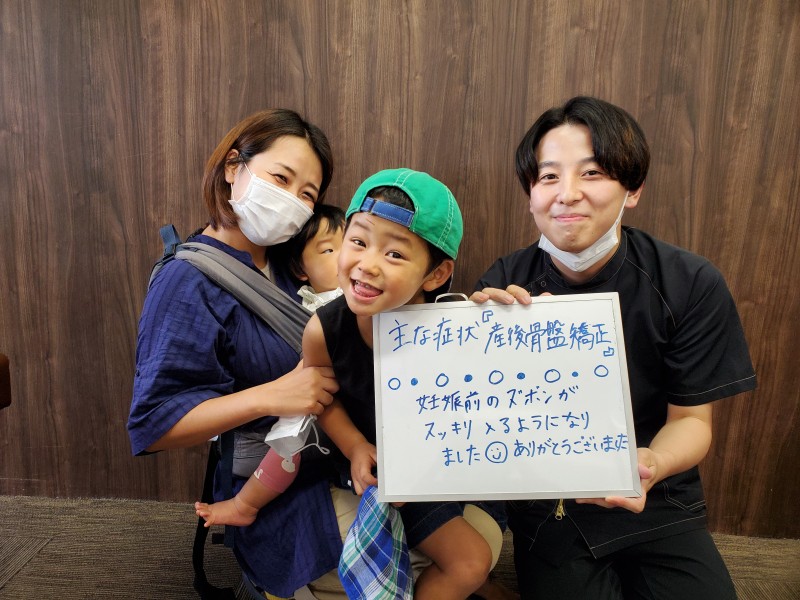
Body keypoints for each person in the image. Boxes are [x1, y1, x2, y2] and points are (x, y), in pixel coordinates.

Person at [471, 96, 757, 599]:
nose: (568, 194)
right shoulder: (504, 286)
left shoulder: (689, 281)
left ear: (633, 189)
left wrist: (650, 465)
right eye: (548, 176)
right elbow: (481, 423)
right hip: (551, 505)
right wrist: (478, 342)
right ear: (530, 195)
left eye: (593, 173)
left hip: (659, 496)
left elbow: (692, 421)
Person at [128, 109, 349, 598]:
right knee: (408, 553)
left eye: (307, 194)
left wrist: (475, 311)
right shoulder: (187, 281)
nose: (292, 201)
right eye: (281, 179)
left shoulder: (298, 262)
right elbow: (154, 424)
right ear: (234, 167)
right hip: (274, 484)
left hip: (338, 455)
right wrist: (271, 395)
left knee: (473, 531)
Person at [305, 168, 512, 600]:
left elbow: (484, 402)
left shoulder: (453, 329)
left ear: (435, 275)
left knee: (470, 562)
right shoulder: (323, 329)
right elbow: (322, 399)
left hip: (437, 469)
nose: (367, 264)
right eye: (357, 241)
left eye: (395, 254)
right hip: (370, 470)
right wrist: (354, 447)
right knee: (470, 561)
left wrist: (502, 330)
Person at [193, 204, 345, 528]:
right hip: (315, 404)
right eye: (330, 250)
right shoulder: (307, 303)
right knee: (287, 442)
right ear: (301, 269)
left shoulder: (362, 292)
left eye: (354, 245)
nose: (346, 258)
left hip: (356, 400)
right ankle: (245, 504)